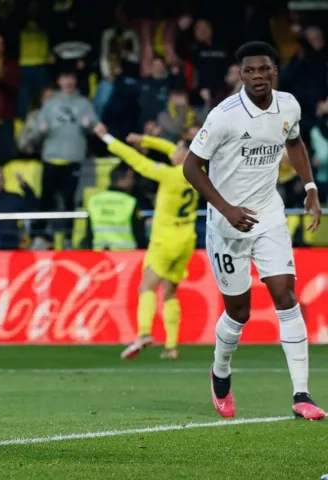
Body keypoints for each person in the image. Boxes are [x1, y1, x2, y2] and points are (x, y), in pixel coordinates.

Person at [183, 41, 324, 420]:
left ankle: (301, 394)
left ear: (274, 70)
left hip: (268, 216)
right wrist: (226, 208)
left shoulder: (289, 105)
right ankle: (221, 371)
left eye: (264, 69)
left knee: (285, 294)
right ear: (240, 75)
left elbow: (294, 142)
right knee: (239, 311)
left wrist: (310, 189)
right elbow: (191, 167)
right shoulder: (224, 116)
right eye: (250, 71)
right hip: (226, 225)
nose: (258, 76)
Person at [94, 124, 198, 360]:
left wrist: (107, 137)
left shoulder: (169, 174)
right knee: (170, 292)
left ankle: (143, 333)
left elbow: (134, 160)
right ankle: (171, 347)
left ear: (183, 155)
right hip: (186, 239)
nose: (173, 151)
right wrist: (145, 139)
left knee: (147, 287)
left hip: (166, 241)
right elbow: (172, 148)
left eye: (178, 149)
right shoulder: (197, 171)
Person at [83, 163, 146, 251]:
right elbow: (139, 233)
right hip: (128, 257)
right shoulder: (130, 202)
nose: (133, 181)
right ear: (125, 177)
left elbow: (89, 232)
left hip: (100, 255)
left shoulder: (94, 200)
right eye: (132, 178)